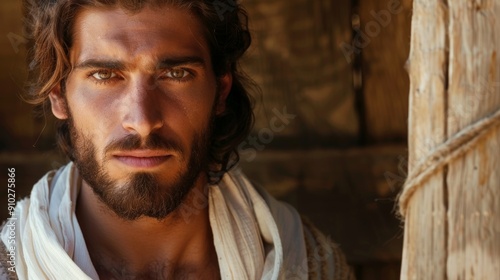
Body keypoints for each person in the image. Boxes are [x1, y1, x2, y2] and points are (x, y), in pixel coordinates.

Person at [0, 0, 354, 279]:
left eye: (176, 74)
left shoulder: (311, 266)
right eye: (105, 75)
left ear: (220, 92)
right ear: (59, 95)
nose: (142, 122)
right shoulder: (11, 267)